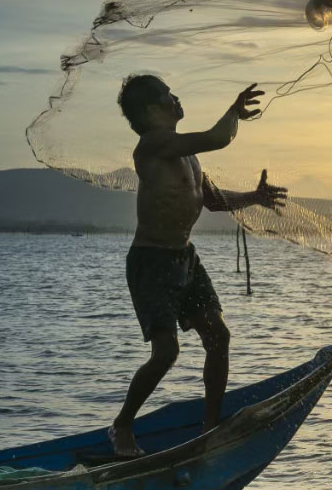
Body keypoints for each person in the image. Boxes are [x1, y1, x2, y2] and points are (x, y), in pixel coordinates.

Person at [109, 74, 287, 458]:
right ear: (152, 110)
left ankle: (210, 427)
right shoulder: (154, 145)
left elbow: (215, 202)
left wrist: (254, 197)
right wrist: (235, 112)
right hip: (151, 261)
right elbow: (219, 137)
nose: (177, 98)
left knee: (218, 337)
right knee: (166, 353)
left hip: (185, 258)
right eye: (169, 95)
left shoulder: (187, 155)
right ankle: (122, 425)